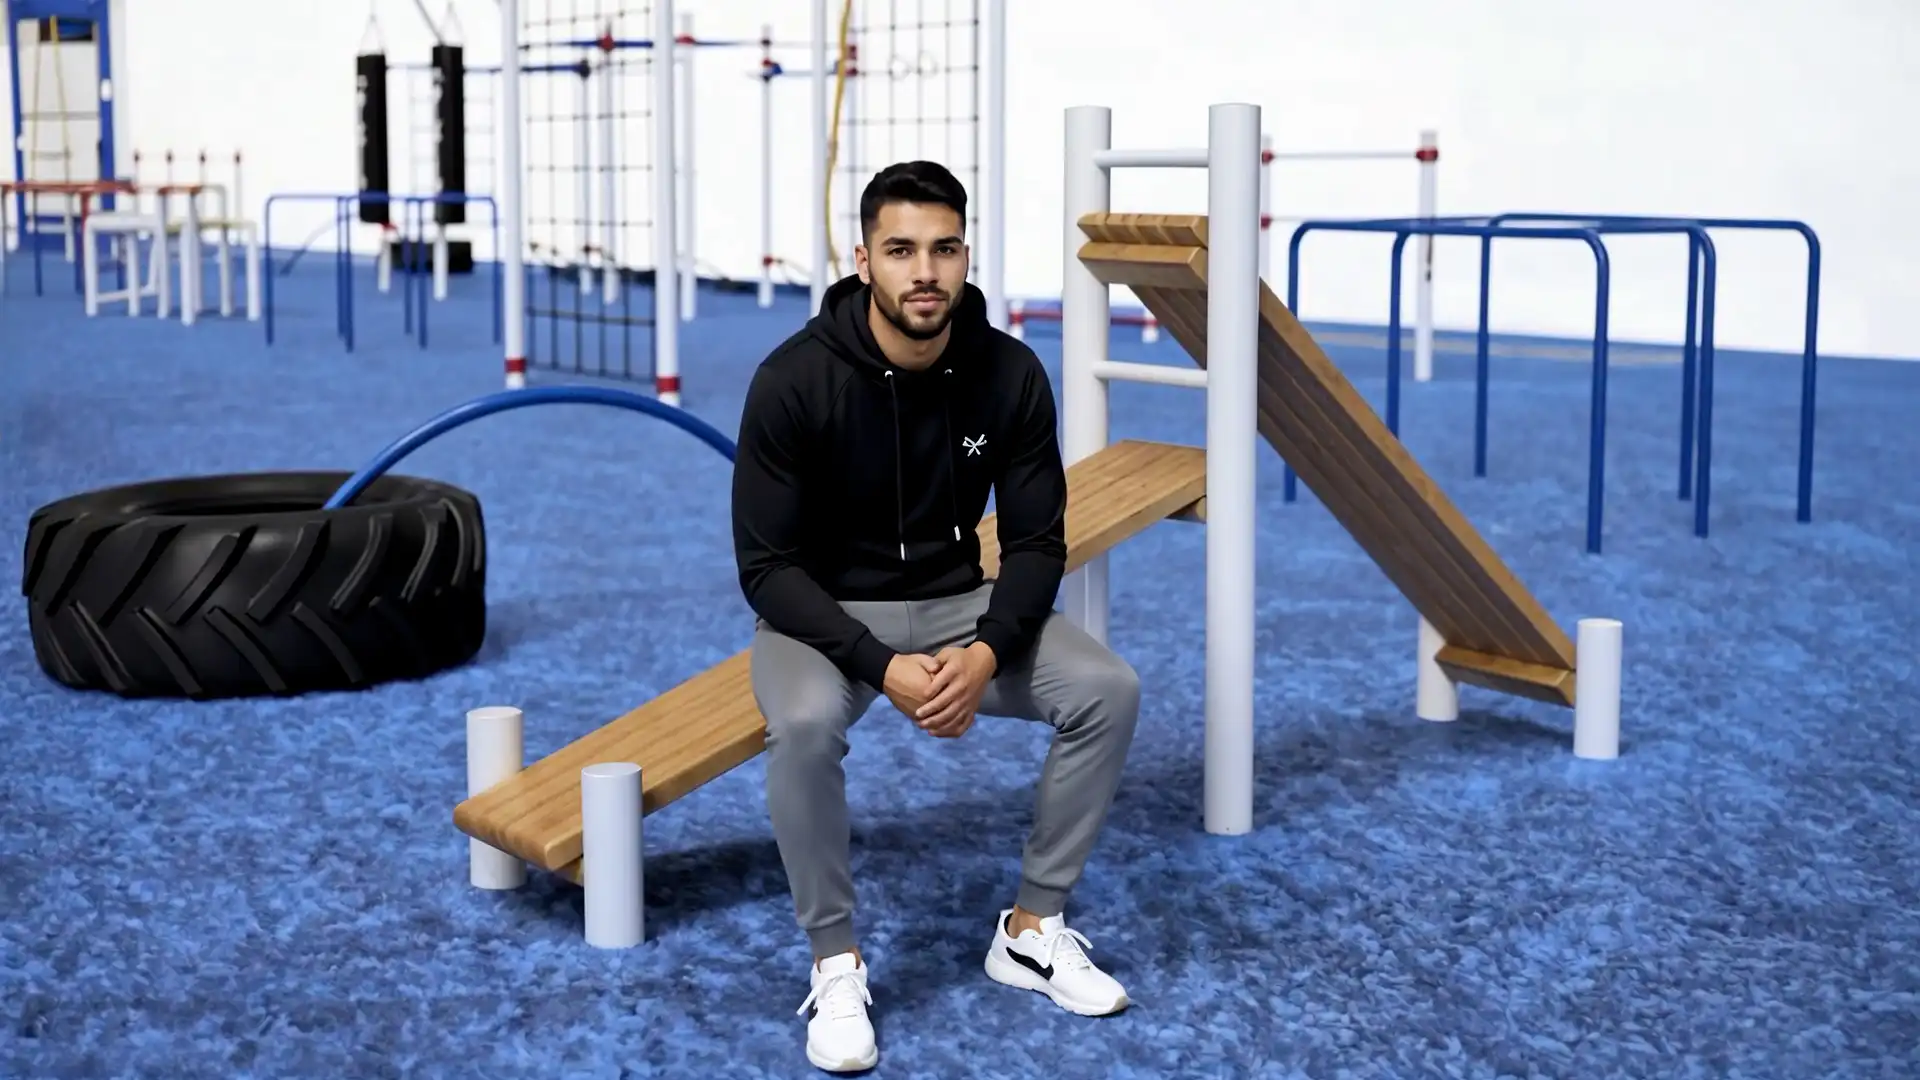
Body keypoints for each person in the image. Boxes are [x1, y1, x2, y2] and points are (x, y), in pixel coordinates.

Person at [731, 160, 1142, 1073]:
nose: (925, 271)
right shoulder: (793, 379)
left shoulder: (1009, 373)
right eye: (901, 250)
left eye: (945, 249)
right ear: (863, 260)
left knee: (1107, 689)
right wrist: (881, 665)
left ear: (966, 254)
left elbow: (1036, 544)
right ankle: (835, 963)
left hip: (961, 604)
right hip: (824, 616)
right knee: (802, 728)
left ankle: (1031, 931)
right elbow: (766, 569)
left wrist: (988, 651)